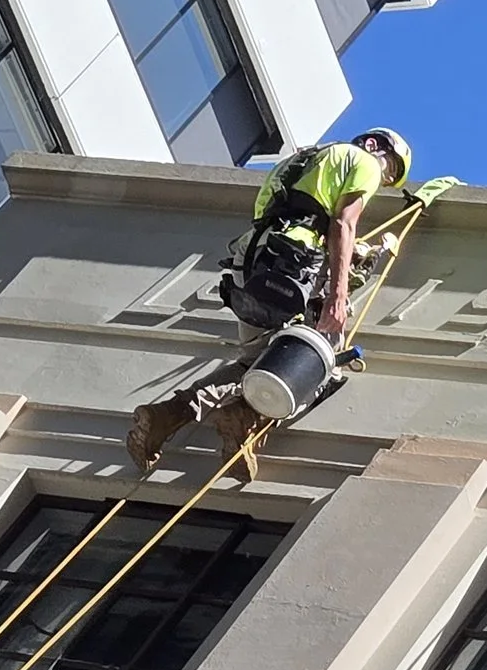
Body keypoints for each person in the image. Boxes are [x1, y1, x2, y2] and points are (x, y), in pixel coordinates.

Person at [125, 126, 413, 475]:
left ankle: (165, 417)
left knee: (254, 361)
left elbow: (296, 215)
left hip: (254, 264)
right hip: (291, 267)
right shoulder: (363, 161)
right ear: (373, 145)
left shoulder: (303, 160)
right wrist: (337, 295)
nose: (383, 180)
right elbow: (343, 223)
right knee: (321, 362)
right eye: (390, 171)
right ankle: (242, 417)